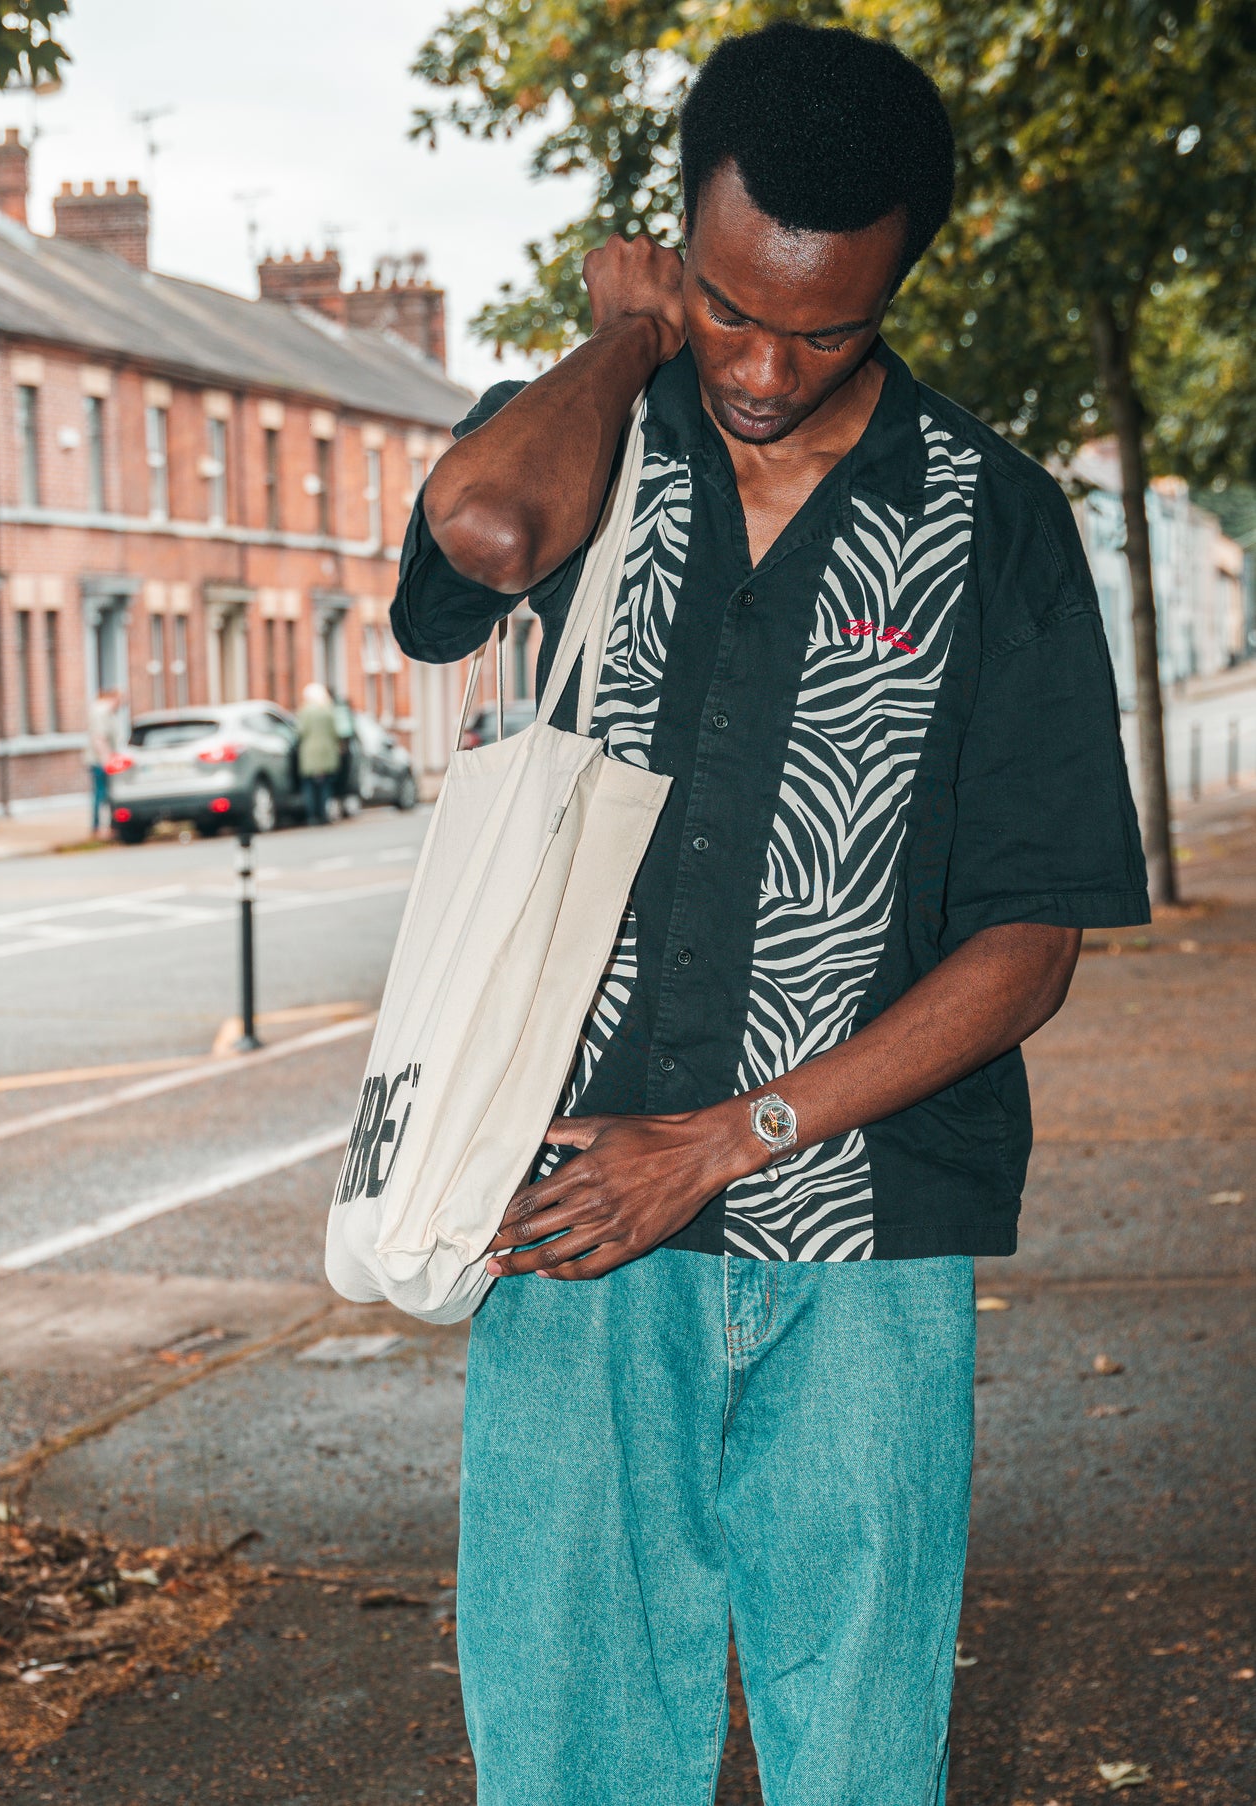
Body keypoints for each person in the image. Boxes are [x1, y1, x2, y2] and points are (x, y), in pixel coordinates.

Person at [390, 22, 1149, 1806]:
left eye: (825, 325)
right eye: (729, 305)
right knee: (572, 1750)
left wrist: (727, 1142)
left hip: (867, 1246)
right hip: (569, 1212)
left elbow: (1031, 939)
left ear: (898, 284)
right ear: (678, 247)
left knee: (860, 1758)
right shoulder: (586, 441)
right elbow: (479, 542)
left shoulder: (995, 521)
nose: (765, 362)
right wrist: (629, 334)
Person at [295, 682, 341, 824]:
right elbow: (335, 732)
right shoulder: (328, 710)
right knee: (325, 787)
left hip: (310, 755)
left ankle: (312, 816)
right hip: (327, 754)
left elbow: (300, 732)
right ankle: (324, 815)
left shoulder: (305, 711)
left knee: (309, 787)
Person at [86, 685, 121, 836]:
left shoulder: (103, 711)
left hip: (101, 760)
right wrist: (107, 760)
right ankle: (98, 826)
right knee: (102, 794)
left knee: (102, 793)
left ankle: (103, 825)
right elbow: (99, 738)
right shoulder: (102, 712)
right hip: (100, 761)